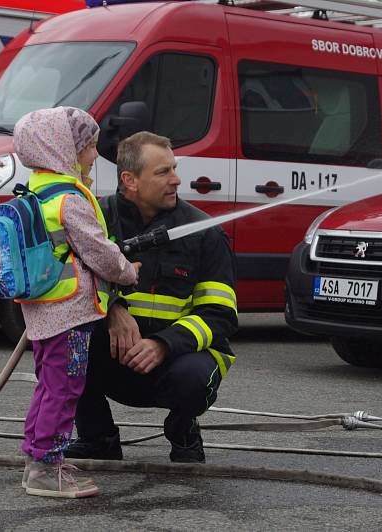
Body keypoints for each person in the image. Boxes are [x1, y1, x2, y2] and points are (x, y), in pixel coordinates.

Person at [65, 131, 238, 463]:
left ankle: (182, 428)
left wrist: (164, 344)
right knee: (61, 346)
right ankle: (98, 437)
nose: (177, 179)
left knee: (194, 379)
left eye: (173, 168)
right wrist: (113, 307)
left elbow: (220, 315)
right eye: (163, 172)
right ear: (130, 180)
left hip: (175, 361)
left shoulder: (204, 233)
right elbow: (65, 286)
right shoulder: (92, 222)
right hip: (112, 357)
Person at [14, 107, 140, 498]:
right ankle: (45, 471)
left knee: (50, 386)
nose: (91, 156)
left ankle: (38, 458)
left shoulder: (38, 188)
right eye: (86, 148)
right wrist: (128, 272)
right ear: (62, 149)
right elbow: (100, 253)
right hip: (68, 313)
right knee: (65, 387)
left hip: (42, 310)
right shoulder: (70, 198)